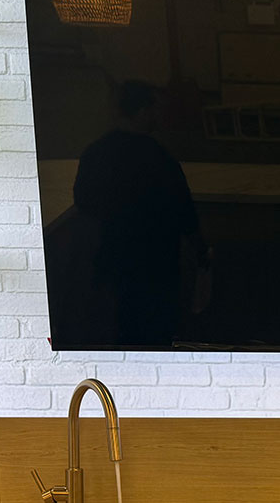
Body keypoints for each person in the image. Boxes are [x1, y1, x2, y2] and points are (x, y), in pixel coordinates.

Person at [72, 81, 208, 347]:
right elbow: (183, 209)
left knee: (121, 326)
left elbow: (83, 201)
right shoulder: (158, 156)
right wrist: (200, 248)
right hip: (157, 259)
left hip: (113, 255)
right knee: (156, 330)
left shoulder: (96, 152)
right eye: (156, 108)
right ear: (143, 111)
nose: (160, 115)